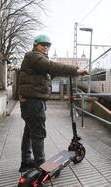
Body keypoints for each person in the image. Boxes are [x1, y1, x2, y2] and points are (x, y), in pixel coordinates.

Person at [18, 34, 87, 172]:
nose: (46, 47)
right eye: (43, 44)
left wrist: (66, 72)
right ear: (35, 44)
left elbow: (48, 75)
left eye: (48, 45)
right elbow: (51, 66)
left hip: (32, 100)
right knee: (38, 133)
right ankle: (42, 167)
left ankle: (26, 161)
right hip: (33, 101)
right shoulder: (33, 56)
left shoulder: (38, 60)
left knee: (29, 132)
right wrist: (75, 71)